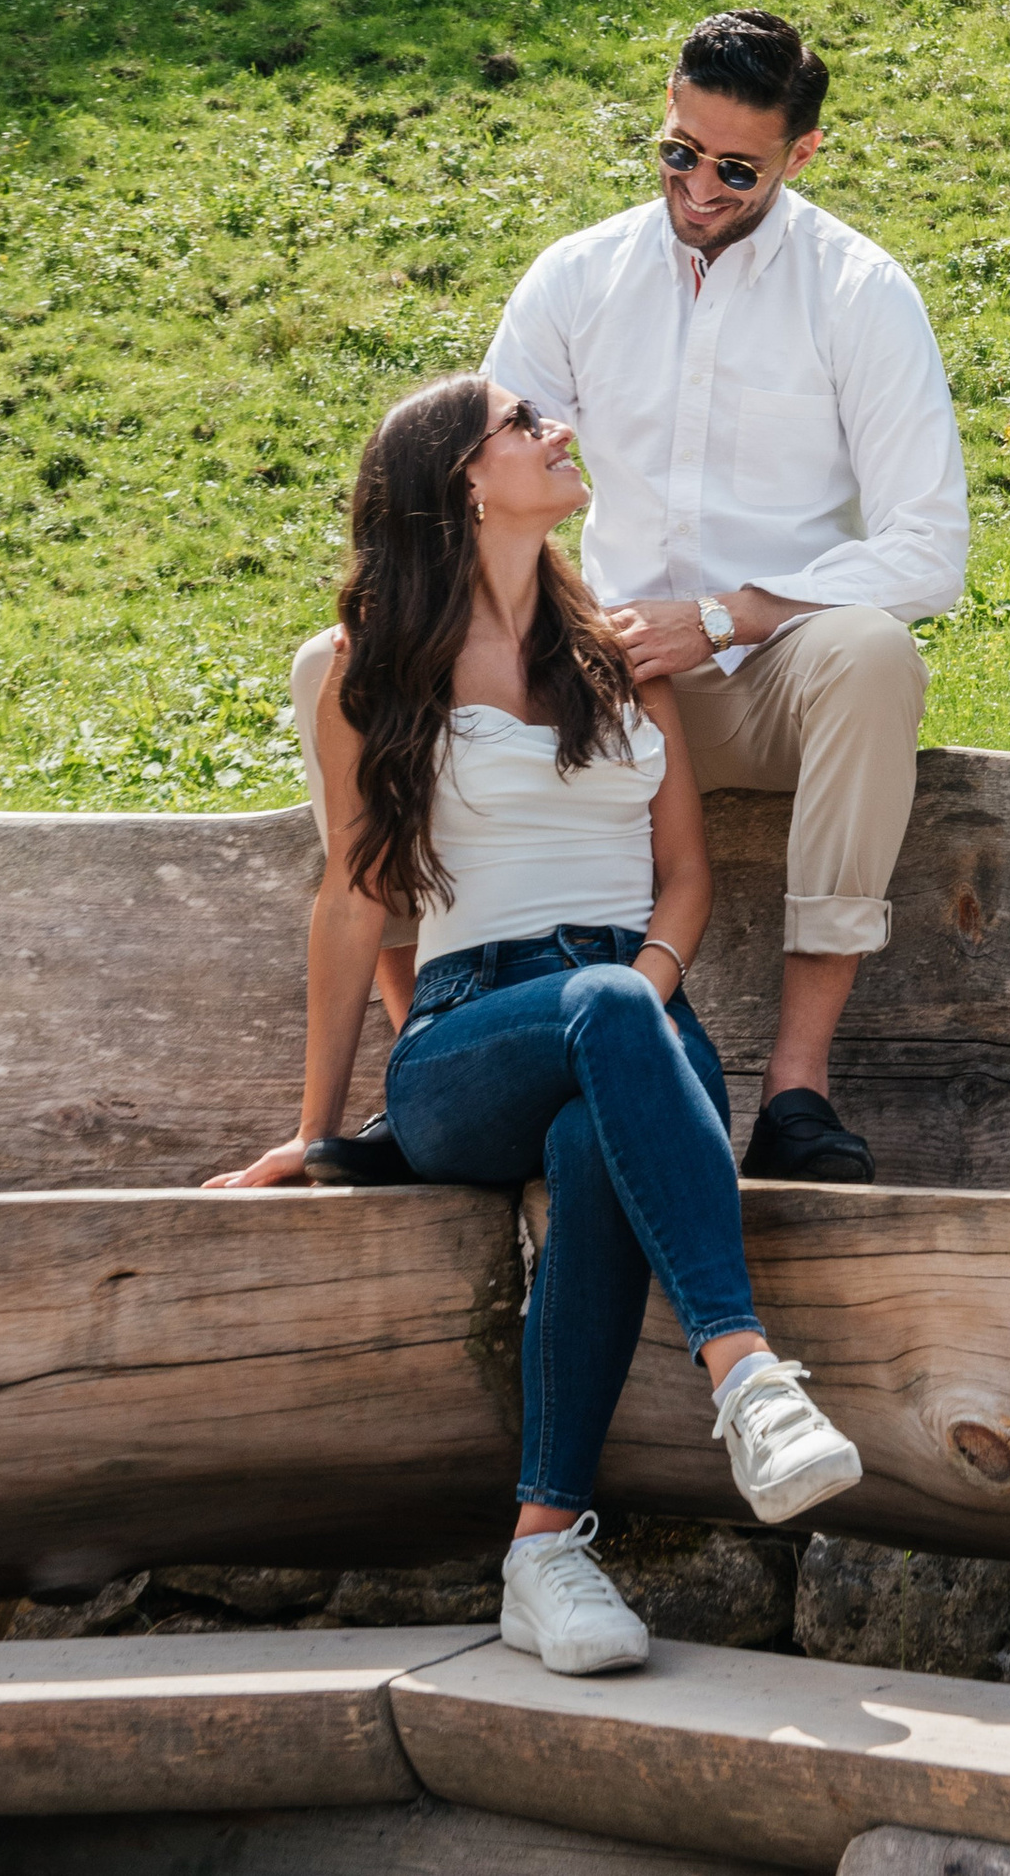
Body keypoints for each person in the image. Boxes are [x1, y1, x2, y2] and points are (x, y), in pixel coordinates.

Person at [206, 370, 865, 1677]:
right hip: (465, 1036)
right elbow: (353, 900)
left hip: (631, 1010)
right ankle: (747, 1376)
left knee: (596, 1133)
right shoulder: (362, 669)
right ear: (461, 480)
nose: (559, 434)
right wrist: (318, 1131)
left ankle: (544, 1550)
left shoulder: (619, 658)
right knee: (603, 1021)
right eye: (523, 424)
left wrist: (647, 989)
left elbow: (686, 876)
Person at [295, 5, 967, 1183]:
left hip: (761, 680)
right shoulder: (579, 275)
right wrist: (548, 640)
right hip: (588, 683)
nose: (697, 185)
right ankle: (428, 1060)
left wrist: (721, 618)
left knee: (872, 655)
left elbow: (928, 548)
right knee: (330, 667)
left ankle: (798, 1091)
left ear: (801, 155)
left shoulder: (859, 293)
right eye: (676, 150)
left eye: (735, 167)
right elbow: (486, 475)